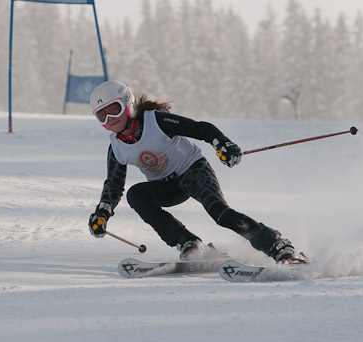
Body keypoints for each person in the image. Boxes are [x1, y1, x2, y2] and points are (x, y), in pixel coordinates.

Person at [88, 80, 307, 264]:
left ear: (128, 105)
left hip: (193, 171)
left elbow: (202, 129)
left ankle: (278, 246)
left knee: (220, 214)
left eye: (113, 110)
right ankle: (188, 242)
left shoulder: (157, 121)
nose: (110, 120)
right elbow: (114, 186)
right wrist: (103, 213)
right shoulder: (117, 148)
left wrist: (223, 144)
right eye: (102, 116)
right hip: (166, 187)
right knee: (136, 194)